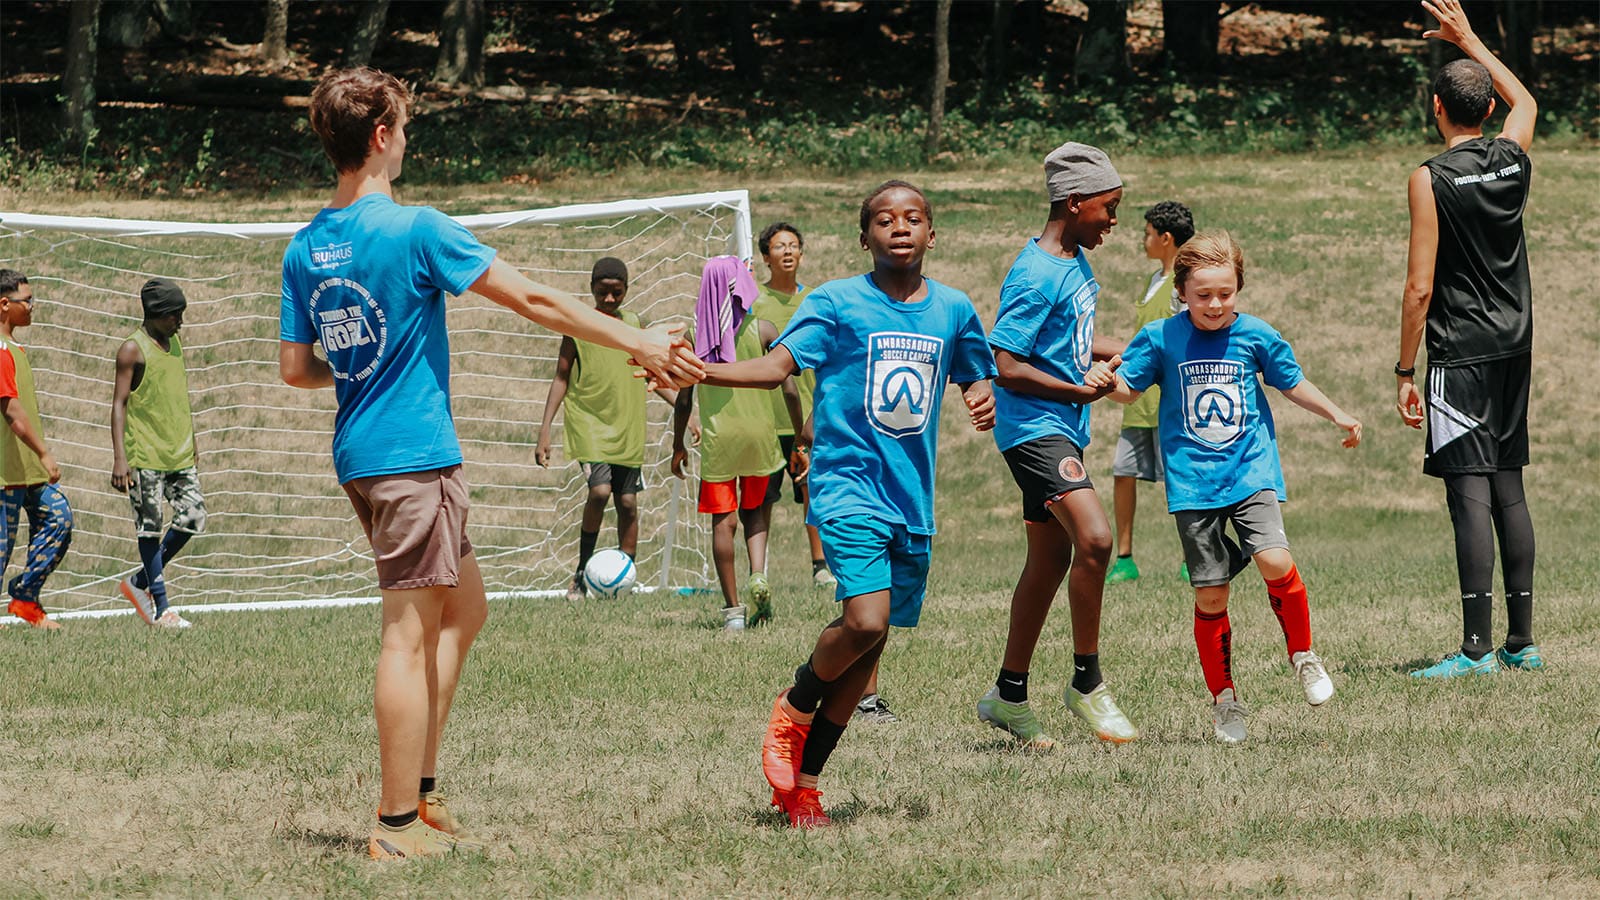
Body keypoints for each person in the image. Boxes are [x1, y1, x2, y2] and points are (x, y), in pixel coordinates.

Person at [278, 67, 702, 860]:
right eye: (403, 129)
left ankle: (422, 794)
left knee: (464, 613)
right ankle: (394, 827)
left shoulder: (307, 246)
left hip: (363, 459)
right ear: (380, 137)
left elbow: (297, 368)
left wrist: (369, 356)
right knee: (405, 638)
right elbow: (537, 301)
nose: (406, 141)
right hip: (413, 461)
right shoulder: (417, 229)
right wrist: (642, 340)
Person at [705, 180, 996, 828]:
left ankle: (804, 787)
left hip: (911, 501)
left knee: (870, 647)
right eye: (885, 219)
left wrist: (982, 394)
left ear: (931, 233)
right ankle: (793, 705)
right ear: (864, 237)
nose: (900, 227)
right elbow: (777, 366)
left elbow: (976, 369)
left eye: (913, 218)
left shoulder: (951, 309)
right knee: (863, 622)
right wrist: (706, 370)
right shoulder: (836, 303)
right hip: (846, 487)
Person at [1086, 230, 1358, 744]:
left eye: (1225, 293)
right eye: (1203, 294)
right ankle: (1225, 701)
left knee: (1275, 559)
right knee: (1212, 594)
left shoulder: (1256, 334)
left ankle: (1303, 655)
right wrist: (1105, 384)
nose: (1215, 304)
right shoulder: (1162, 337)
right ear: (1182, 292)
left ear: (1238, 290)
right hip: (1193, 484)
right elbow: (1130, 389)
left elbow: (1291, 382)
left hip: (1251, 471)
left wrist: (1339, 415)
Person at [974, 142, 1137, 751]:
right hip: (1033, 430)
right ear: (1075, 202)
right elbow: (1007, 362)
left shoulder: (1074, 264)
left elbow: (1071, 342)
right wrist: (1078, 389)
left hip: (1060, 426)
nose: (1114, 221)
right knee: (1095, 539)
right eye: (1109, 208)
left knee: (1048, 561)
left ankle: (1008, 695)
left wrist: (1134, 352)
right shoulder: (1037, 271)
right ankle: (1086, 681)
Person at [1397, 0, 1542, 678]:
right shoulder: (1513, 156)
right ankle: (1523, 642)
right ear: (1486, 111)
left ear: (1436, 108)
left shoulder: (1428, 178)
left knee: (1470, 493)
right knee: (1509, 484)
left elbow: (1419, 286)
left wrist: (1404, 368)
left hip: (1459, 352)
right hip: (1516, 343)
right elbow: (1528, 99)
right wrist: (1471, 39)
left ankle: (1477, 651)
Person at [535, 257, 696, 602]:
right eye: (603, 292)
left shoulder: (634, 324)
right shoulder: (578, 325)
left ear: (626, 291)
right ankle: (579, 575)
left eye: (617, 293)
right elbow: (562, 376)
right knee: (599, 492)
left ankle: (625, 578)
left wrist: (686, 411)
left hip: (627, 427)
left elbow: (655, 375)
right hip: (590, 423)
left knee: (628, 504)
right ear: (591, 288)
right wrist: (545, 429)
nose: (609, 299)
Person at [672, 258, 805, 631]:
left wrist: (677, 446)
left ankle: (732, 612)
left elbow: (684, 399)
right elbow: (790, 389)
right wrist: (798, 436)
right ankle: (758, 573)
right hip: (760, 435)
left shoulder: (694, 340)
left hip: (719, 439)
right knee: (757, 513)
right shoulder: (763, 330)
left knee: (723, 522)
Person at [1105, 200, 1194, 585]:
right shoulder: (1153, 281)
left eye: (1147, 234)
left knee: (1183, 478)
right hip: (1138, 400)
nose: (1144, 241)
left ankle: (1194, 554)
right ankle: (1125, 559)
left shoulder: (1185, 287)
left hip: (1171, 401)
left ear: (1166, 237)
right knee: (1124, 473)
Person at [111, 278, 205, 630]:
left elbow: (177, 395)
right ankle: (162, 608)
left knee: (194, 517)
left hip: (178, 453)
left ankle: (139, 583)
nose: (179, 322)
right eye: (174, 315)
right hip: (144, 456)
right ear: (154, 314)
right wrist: (120, 458)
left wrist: (192, 439)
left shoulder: (175, 343)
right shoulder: (132, 351)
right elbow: (119, 404)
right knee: (149, 529)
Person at [750, 222, 833, 588]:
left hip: (811, 418)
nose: (787, 251)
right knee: (761, 498)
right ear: (765, 256)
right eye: (779, 246)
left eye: (794, 245)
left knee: (811, 491)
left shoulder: (817, 300)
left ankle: (821, 567)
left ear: (801, 253)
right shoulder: (752, 303)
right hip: (765, 418)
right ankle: (759, 572)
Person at [0, 269, 71, 631]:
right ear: (4, 304)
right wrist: (44, 452)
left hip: (26, 471)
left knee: (59, 517)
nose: (33, 306)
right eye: (27, 300)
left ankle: (25, 598)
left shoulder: (15, 348)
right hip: (6, 473)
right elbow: (12, 412)